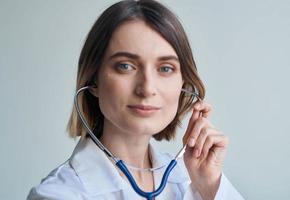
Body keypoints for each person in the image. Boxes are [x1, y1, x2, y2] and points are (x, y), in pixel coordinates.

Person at [27, 0, 245, 199]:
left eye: (165, 68)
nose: (147, 88)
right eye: (125, 66)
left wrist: (209, 185)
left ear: (183, 84)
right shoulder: (57, 195)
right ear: (94, 80)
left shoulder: (192, 179)